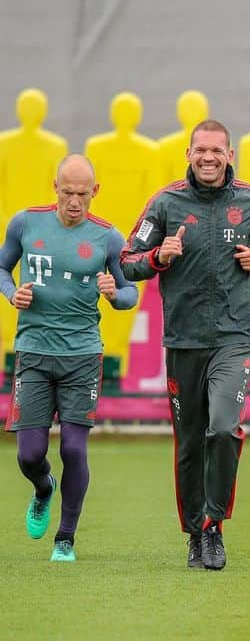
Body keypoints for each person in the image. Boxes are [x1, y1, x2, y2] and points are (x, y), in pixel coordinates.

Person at [121, 120, 250, 571]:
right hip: (184, 341)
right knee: (191, 442)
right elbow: (128, 262)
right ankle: (195, 534)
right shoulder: (166, 203)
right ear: (189, 154)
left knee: (223, 426)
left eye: (217, 150)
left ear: (230, 154)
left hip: (235, 338)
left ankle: (215, 526)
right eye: (200, 150)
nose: (208, 157)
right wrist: (159, 257)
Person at [1, 154, 137, 562]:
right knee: (29, 454)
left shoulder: (109, 238)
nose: (74, 202)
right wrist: (12, 293)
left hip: (82, 355)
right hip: (33, 353)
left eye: (82, 194)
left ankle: (65, 538)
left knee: (74, 450)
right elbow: (2, 268)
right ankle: (44, 488)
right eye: (67, 193)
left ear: (94, 192)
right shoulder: (24, 223)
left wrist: (114, 293)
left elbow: (130, 294)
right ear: (54, 187)